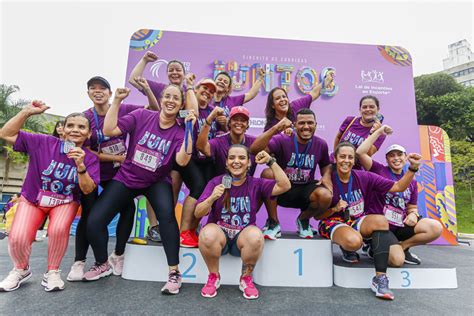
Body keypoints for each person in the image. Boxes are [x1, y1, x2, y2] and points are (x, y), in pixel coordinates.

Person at [83, 86, 194, 296]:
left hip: (156, 181)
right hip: (126, 178)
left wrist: (189, 127)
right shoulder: (142, 115)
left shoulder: (180, 131)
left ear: (181, 105)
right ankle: (102, 263)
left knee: (168, 219)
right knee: (94, 221)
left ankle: (174, 272)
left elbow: (182, 160)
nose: (171, 101)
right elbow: (109, 131)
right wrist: (116, 101)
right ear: (161, 100)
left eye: (176, 99)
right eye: (167, 96)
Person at [67, 76, 160, 281]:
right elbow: (87, 150)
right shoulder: (84, 117)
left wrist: (147, 89)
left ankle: (117, 255)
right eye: (93, 88)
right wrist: (118, 157)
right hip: (92, 173)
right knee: (90, 216)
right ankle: (81, 261)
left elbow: (154, 109)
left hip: (118, 175)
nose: (98, 91)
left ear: (109, 93)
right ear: (89, 93)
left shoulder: (124, 109)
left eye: (102, 88)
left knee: (129, 208)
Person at [0, 102, 99, 292]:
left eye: (81, 127)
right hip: (33, 200)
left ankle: (53, 272)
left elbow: (87, 190)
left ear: (88, 134)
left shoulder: (91, 158)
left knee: (59, 229)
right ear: (62, 130)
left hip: (65, 202)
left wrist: (81, 166)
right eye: (70, 125)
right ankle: (21, 269)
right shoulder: (43, 143)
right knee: (17, 236)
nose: (75, 130)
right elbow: (6, 134)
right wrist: (27, 112)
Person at [316, 142, 422, 300]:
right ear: (335, 159)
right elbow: (317, 216)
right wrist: (335, 208)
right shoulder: (327, 181)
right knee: (353, 242)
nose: (346, 160)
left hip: (357, 220)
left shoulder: (364, 176)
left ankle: (380, 279)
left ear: (354, 160)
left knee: (380, 221)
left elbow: (399, 186)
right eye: (342, 157)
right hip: (332, 221)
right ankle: (348, 247)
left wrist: (413, 168)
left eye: (350, 157)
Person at [195, 145, 291, 299]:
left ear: (249, 163)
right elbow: (198, 212)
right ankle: (214, 277)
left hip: (243, 240)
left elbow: (285, 185)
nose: (236, 161)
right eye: (232, 158)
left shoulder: (256, 183)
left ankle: (246, 278)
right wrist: (212, 197)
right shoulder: (216, 182)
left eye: (241, 158)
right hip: (220, 239)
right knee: (207, 233)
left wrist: (271, 162)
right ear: (226, 163)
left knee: (256, 235)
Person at [356, 125, 443, 265]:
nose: (396, 158)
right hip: (382, 226)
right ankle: (373, 247)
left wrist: (413, 215)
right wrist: (379, 132)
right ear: (386, 159)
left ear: (405, 157)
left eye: (399, 154)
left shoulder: (412, 181)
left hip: (400, 225)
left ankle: (404, 246)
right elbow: (360, 153)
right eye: (392, 155)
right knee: (396, 262)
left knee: (435, 227)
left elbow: (412, 207)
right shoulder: (378, 170)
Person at [250, 108, 332, 239]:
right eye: (302, 123)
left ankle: (303, 220)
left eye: (310, 123)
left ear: (316, 125)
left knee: (326, 195)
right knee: (268, 174)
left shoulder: (321, 144)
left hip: (304, 190)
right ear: (294, 125)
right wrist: (275, 128)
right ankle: (273, 222)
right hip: (282, 189)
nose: (306, 127)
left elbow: (326, 165)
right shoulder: (283, 139)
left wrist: (326, 175)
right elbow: (254, 149)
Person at [177, 78, 219, 248]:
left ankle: (192, 231)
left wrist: (223, 123)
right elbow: (186, 115)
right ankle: (184, 232)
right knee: (198, 187)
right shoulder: (187, 106)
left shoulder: (213, 111)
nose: (207, 92)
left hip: (206, 160)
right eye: (204, 88)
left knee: (205, 193)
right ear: (196, 89)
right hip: (189, 157)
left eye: (211, 91)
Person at [196, 106, 257, 177]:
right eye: (235, 119)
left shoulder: (255, 142)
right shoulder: (219, 141)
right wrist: (210, 119)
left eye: (243, 120)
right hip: (223, 185)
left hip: (246, 185)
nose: (239, 123)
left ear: (247, 124)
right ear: (229, 122)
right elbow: (201, 147)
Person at [263, 73, 333, 132]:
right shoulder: (270, 127)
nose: (282, 100)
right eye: (278, 98)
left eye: (284, 97)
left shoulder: (296, 106)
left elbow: (313, 93)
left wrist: (326, 81)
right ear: (272, 105)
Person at [332, 95, 385, 167]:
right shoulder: (350, 120)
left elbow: (368, 154)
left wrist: (373, 133)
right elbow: (338, 138)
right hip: (336, 163)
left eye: (372, 107)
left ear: (378, 109)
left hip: (355, 169)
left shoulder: (380, 134)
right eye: (364, 107)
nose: (368, 109)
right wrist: (336, 158)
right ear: (360, 109)